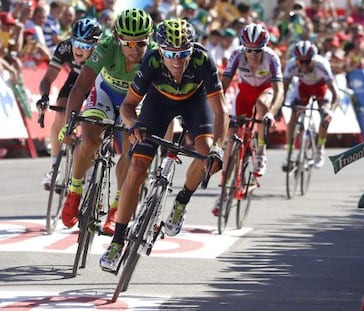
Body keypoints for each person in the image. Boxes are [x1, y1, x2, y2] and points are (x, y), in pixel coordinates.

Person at [99, 18, 229, 272]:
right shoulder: (151, 61)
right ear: (160, 50)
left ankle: (181, 201)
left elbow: (220, 109)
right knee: (137, 168)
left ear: (191, 49)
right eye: (170, 53)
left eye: (183, 53)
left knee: (206, 157)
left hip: (195, 102)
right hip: (159, 103)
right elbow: (127, 106)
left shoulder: (203, 60)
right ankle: (117, 242)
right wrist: (133, 125)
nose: (177, 60)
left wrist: (219, 146)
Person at [58, 9, 154, 235]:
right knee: (91, 140)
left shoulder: (154, 56)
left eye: (140, 43)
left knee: (131, 154)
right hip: (104, 93)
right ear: (117, 38)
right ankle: (75, 190)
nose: (134, 49)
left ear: (149, 40)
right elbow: (81, 86)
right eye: (127, 43)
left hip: (135, 102)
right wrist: (69, 123)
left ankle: (117, 207)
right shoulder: (107, 47)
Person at [210, 23, 284, 215]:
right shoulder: (237, 54)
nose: (253, 54)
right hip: (244, 93)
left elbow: (279, 91)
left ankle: (260, 151)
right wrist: (217, 107)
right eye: (249, 50)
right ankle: (223, 193)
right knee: (231, 138)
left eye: (257, 50)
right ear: (244, 47)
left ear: (264, 47)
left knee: (261, 105)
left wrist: (271, 112)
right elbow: (223, 85)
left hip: (265, 91)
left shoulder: (271, 58)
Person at [37, 17, 102, 190]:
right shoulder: (64, 47)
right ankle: (55, 168)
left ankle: (90, 171)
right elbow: (48, 77)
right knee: (60, 111)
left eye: (86, 46)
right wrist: (44, 96)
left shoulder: (103, 53)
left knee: (94, 124)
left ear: (95, 46)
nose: (79, 49)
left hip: (97, 84)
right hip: (75, 80)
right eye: (76, 42)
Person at [282, 40, 339, 169]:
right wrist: (279, 107)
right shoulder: (291, 65)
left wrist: (331, 111)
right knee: (293, 116)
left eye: (307, 61)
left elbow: (335, 94)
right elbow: (284, 89)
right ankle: (289, 154)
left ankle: (319, 150)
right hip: (303, 88)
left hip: (320, 87)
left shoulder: (322, 64)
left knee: (325, 117)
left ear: (313, 59)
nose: (303, 65)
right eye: (300, 62)